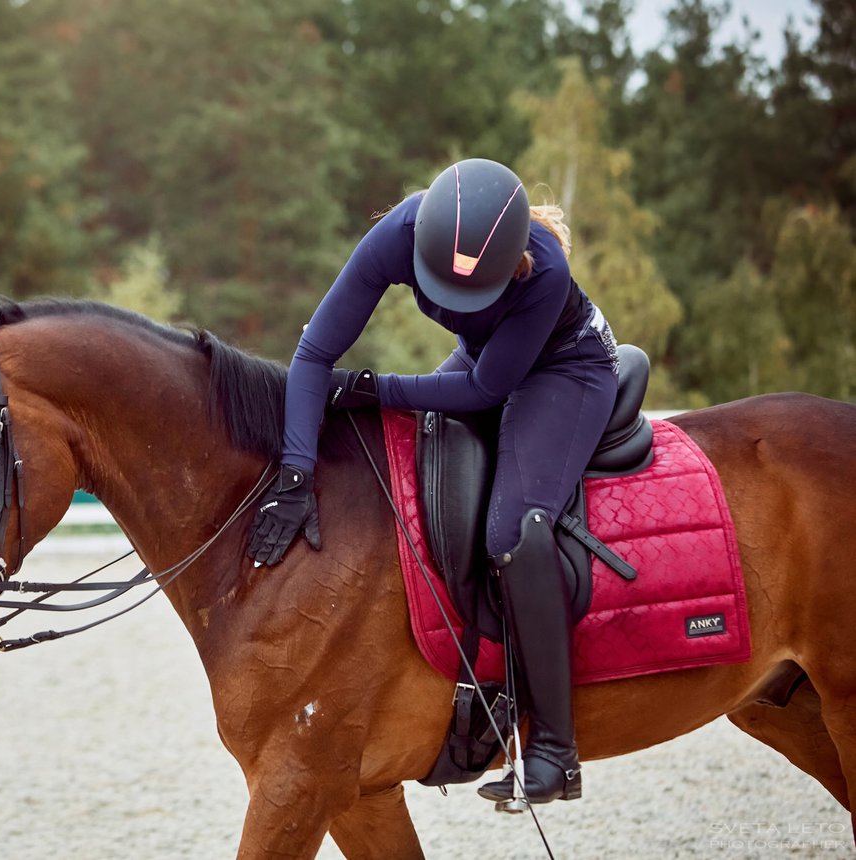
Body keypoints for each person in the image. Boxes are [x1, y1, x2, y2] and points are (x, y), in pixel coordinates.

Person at [245, 158, 620, 804]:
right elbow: (313, 355)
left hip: (565, 370)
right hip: (484, 356)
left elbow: (484, 390)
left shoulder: (545, 272)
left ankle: (555, 748)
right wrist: (297, 470)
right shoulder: (400, 232)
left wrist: (374, 389)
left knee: (513, 529)